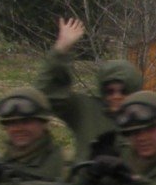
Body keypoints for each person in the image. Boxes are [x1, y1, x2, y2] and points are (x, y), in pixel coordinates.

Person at [38, 17, 146, 164]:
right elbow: (47, 94)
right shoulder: (86, 110)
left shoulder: (146, 118)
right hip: (86, 182)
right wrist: (60, 51)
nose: (116, 96)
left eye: (123, 91)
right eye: (110, 91)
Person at [0, 87, 68, 183]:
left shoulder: (63, 165)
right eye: (11, 123)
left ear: (44, 123)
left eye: (26, 122)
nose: (18, 129)